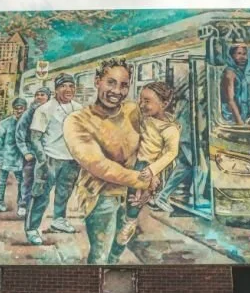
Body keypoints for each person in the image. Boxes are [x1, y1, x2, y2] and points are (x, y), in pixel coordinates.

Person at [63, 58, 153, 264]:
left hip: (132, 196)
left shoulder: (133, 111)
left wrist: (154, 173)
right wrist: (145, 180)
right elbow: (99, 165)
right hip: (102, 197)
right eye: (110, 83)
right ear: (97, 82)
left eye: (123, 85)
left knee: (119, 247)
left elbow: (153, 143)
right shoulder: (77, 121)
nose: (117, 91)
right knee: (101, 255)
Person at [115, 81, 181, 246]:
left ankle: (129, 222)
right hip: (132, 158)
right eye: (141, 100)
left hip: (146, 164)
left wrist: (153, 171)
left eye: (147, 101)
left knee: (135, 196)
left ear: (164, 104)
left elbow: (171, 153)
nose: (141, 104)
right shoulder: (143, 116)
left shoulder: (169, 129)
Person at [25, 73, 82, 244]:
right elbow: (35, 137)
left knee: (64, 192)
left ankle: (58, 220)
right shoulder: (44, 109)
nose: (68, 89)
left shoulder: (79, 108)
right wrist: (42, 161)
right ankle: (32, 229)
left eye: (71, 86)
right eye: (64, 86)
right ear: (56, 89)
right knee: (41, 194)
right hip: (50, 158)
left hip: (71, 159)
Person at [15, 87, 51, 218]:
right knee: (27, 179)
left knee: (44, 181)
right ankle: (23, 205)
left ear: (48, 97)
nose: (39, 97)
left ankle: (38, 208)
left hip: (47, 153)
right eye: (37, 94)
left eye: (43, 95)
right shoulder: (28, 114)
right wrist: (25, 152)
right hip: (31, 153)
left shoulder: (51, 112)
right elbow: (19, 134)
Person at [0, 97, 28, 215]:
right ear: (13, 110)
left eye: (21, 108)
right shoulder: (4, 124)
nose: (18, 111)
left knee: (23, 182)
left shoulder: (28, 124)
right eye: (16, 109)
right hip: (5, 160)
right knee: (1, 182)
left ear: (25, 109)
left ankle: (22, 204)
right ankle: (0, 201)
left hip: (21, 160)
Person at [220, 44, 250, 124]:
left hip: (241, 117)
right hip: (231, 119)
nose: (243, 57)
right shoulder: (229, 73)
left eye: (244, 54)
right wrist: (239, 122)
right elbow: (230, 100)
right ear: (232, 56)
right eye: (239, 53)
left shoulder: (239, 73)